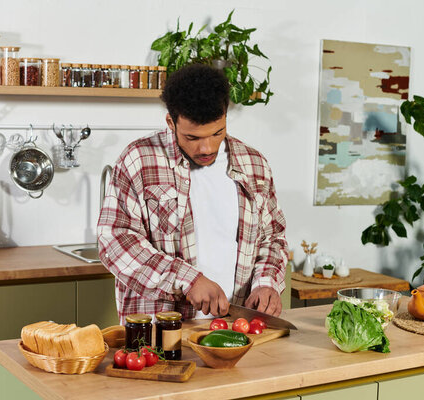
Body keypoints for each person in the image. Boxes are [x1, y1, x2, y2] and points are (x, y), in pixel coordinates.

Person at [97, 64, 288, 322]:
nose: (207, 147)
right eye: (193, 137)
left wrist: (267, 282)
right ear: (170, 122)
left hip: (234, 330)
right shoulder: (139, 160)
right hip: (158, 333)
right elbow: (115, 240)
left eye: (217, 133)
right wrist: (187, 279)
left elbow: (272, 236)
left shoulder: (255, 165)